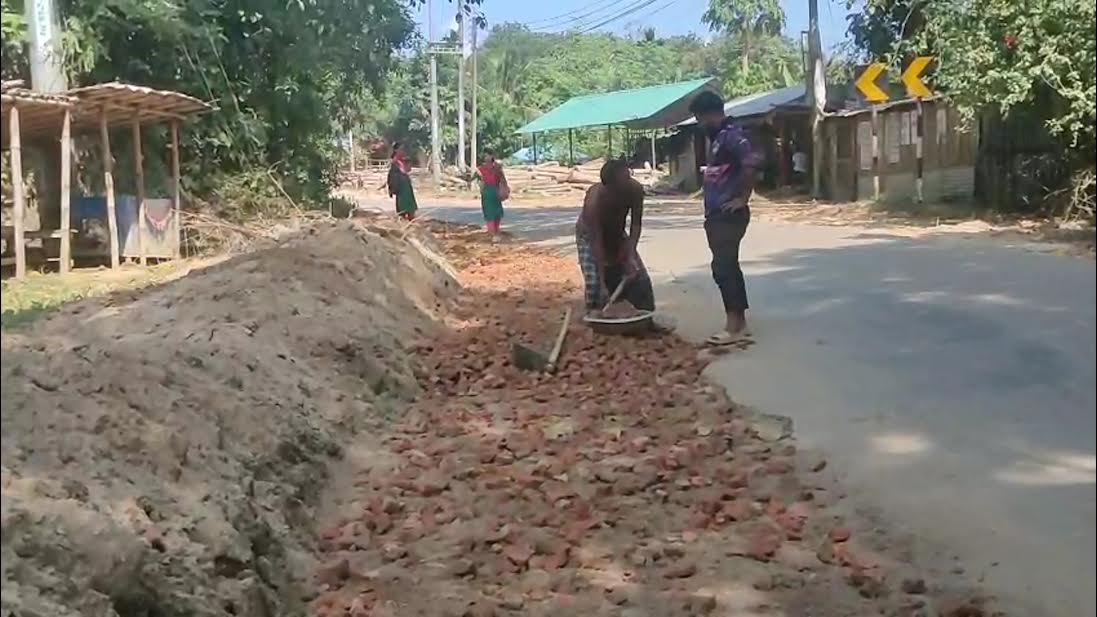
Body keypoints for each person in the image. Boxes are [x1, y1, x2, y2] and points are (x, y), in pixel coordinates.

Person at [688, 90, 764, 345]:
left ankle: (735, 326)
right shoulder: (719, 138)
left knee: (724, 266)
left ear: (710, 114)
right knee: (725, 266)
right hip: (716, 213)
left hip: (729, 213)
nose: (700, 124)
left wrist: (742, 198)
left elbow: (751, 163)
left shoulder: (733, 135)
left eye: (700, 119)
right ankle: (738, 321)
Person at [575, 159, 655, 316]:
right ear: (610, 187)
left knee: (638, 277)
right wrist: (602, 281)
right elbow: (597, 243)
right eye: (622, 183)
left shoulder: (635, 189)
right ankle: (595, 318)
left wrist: (630, 254)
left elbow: (636, 225)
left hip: (618, 233)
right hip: (589, 236)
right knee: (595, 284)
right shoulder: (594, 202)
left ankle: (645, 317)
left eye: (628, 177)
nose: (628, 184)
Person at [476, 149, 507, 242]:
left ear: (492, 156)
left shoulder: (497, 168)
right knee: (489, 212)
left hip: (496, 191)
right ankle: (492, 233)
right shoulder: (481, 169)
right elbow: (475, 178)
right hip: (486, 192)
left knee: (497, 213)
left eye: (488, 155)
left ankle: (496, 231)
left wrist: (504, 188)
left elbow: (503, 179)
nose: (486, 157)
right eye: (485, 155)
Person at [386, 142, 418, 221]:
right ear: (396, 150)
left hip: (406, 183)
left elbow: (408, 170)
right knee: (402, 204)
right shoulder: (395, 162)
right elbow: (392, 176)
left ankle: (411, 218)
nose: (402, 151)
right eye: (401, 149)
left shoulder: (403, 160)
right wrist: (392, 188)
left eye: (403, 149)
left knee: (410, 204)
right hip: (400, 185)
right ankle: (403, 218)